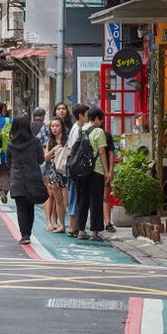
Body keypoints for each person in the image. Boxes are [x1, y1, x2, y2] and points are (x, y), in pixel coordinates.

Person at [7, 114, 45, 244]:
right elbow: (41, 160)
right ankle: (28, 233)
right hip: (32, 178)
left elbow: (8, 163)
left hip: (17, 179)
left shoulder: (11, 144)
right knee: (30, 207)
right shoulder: (36, 142)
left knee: (21, 209)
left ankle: (24, 235)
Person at [78, 107, 111, 241]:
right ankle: (94, 232)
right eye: (101, 119)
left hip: (82, 170)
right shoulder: (99, 131)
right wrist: (106, 171)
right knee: (96, 201)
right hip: (96, 170)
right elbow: (102, 152)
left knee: (83, 201)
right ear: (97, 118)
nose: (101, 122)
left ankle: (80, 231)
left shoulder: (82, 129)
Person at [66, 103, 90, 237]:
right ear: (80, 116)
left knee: (74, 196)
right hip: (75, 169)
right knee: (74, 197)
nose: (88, 117)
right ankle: (72, 228)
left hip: (74, 168)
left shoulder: (79, 128)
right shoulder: (77, 130)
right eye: (86, 115)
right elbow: (75, 151)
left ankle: (73, 227)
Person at [43, 117, 68, 233]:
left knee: (67, 199)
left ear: (62, 127)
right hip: (55, 171)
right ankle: (60, 224)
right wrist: (53, 150)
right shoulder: (50, 141)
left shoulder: (68, 140)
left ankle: (69, 224)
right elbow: (45, 158)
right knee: (58, 199)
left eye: (57, 126)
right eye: (52, 126)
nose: (54, 128)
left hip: (67, 171)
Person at [104, 129, 117, 232]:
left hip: (105, 171)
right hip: (91, 171)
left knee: (105, 197)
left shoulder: (107, 135)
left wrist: (110, 171)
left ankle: (108, 222)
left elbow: (111, 153)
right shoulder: (86, 133)